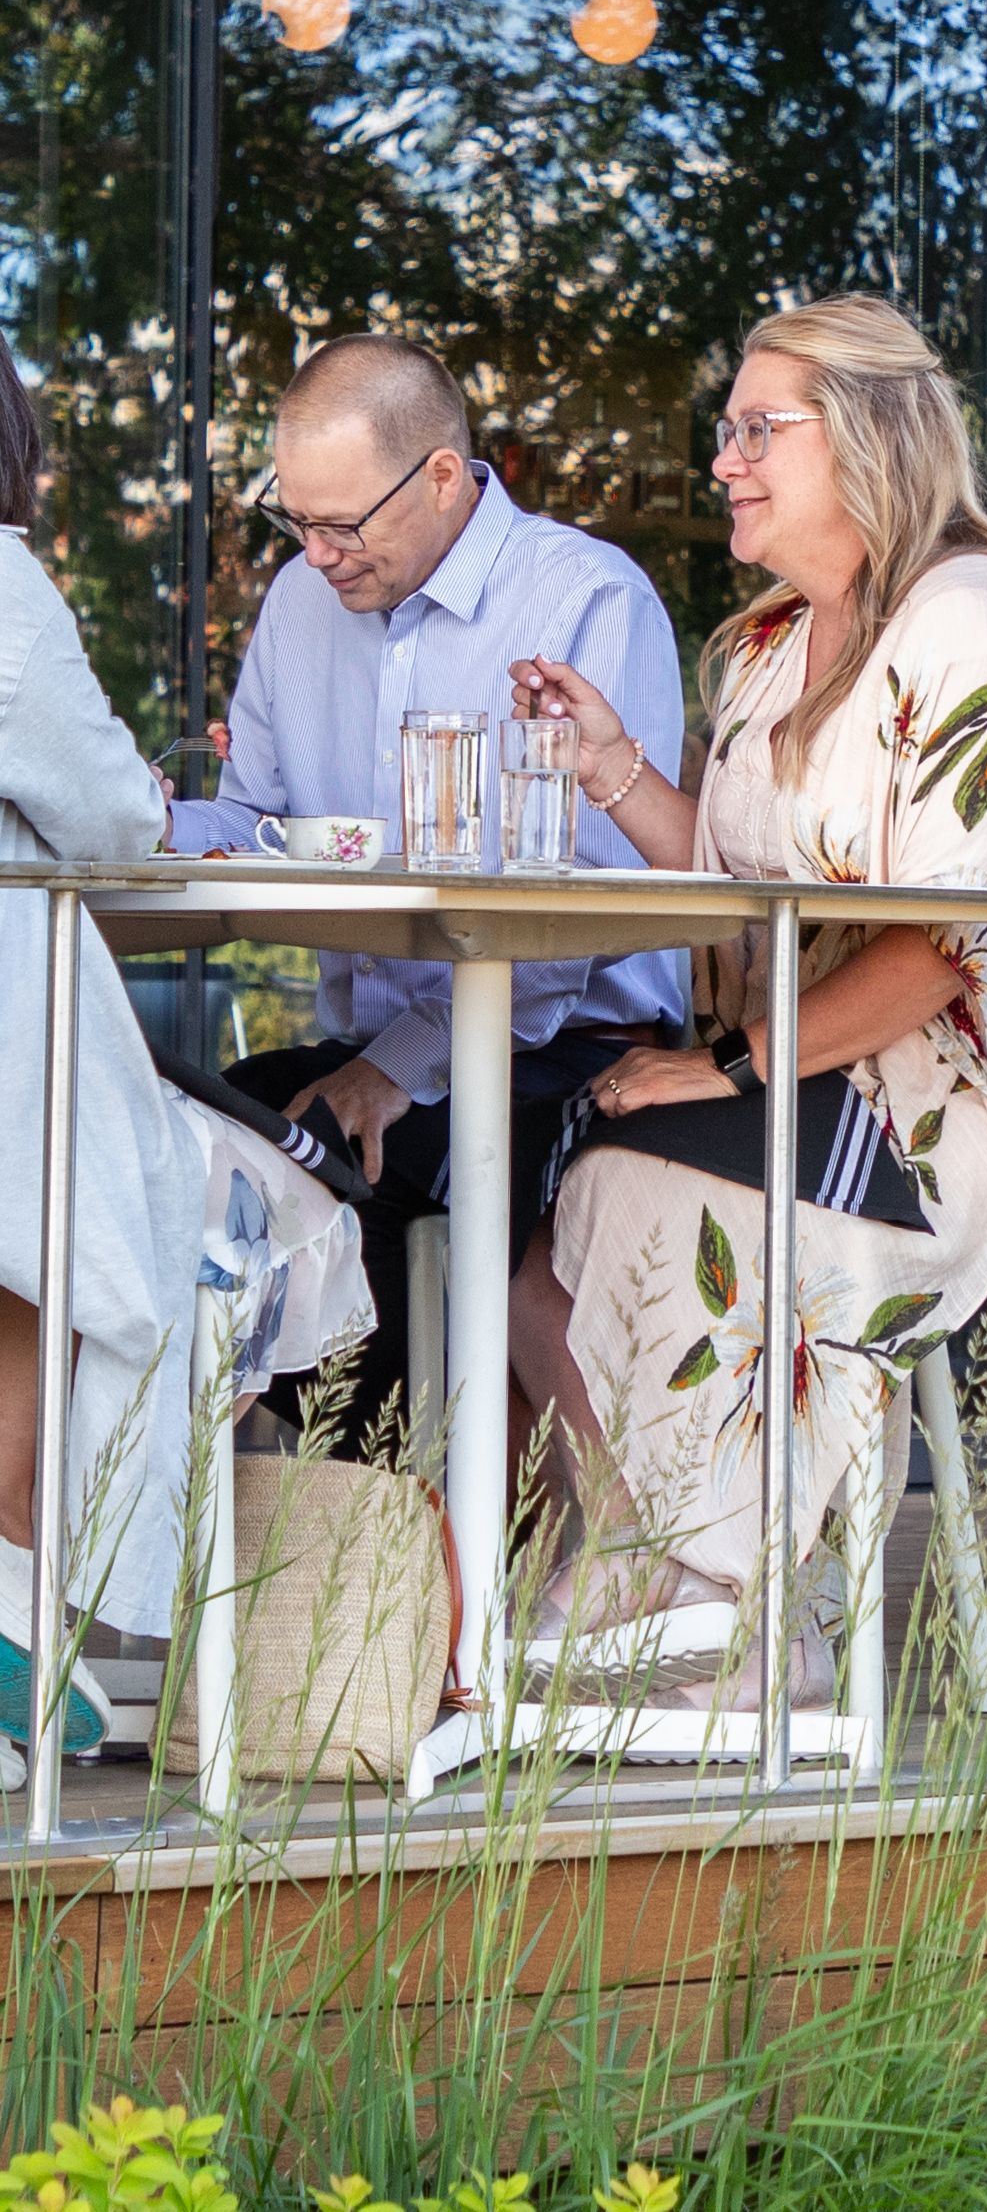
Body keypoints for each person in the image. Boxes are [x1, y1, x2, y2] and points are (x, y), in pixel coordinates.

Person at [507, 295, 987, 1696]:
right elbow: (735, 871)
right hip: (837, 1064)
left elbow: (951, 936)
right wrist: (611, 761)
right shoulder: (769, 645)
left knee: (654, 1177)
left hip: (973, 1107)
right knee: (550, 1185)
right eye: (726, 428)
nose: (724, 460)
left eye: (761, 428)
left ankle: (740, 1607)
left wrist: (742, 1065)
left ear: (870, 436)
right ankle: (699, 1566)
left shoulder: (972, 624)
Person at [165, 334, 686, 1451]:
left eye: (342, 524)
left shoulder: (586, 598)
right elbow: (261, 824)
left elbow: (579, 916)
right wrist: (138, 819)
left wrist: (390, 1070)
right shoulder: (303, 605)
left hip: (575, 1049)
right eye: (292, 520)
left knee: (353, 1184)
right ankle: (305, 1545)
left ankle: (404, 1559)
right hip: (381, 1055)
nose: (315, 556)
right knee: (194, 1136)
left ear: (444, 476)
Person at [0, 334, 371, 1774]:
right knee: (244, 1202)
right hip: (20, 1084)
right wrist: (143, 803)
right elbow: (107, 817)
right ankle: (35, 1609)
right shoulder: (4, 592)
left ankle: (34, 1617)